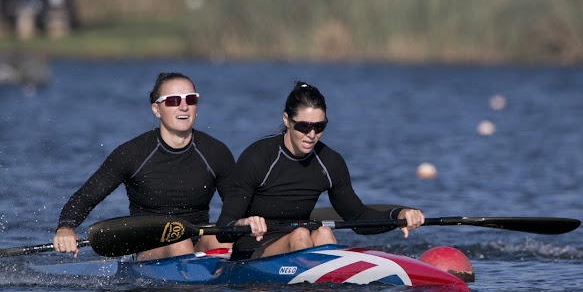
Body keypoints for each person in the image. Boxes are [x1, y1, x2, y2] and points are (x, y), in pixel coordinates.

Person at [207, 81, 425, 258]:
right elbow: (224, 228)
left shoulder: (329, 162)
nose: (312, 135)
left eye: (319, 127)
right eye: (304, 126)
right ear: (287, 120)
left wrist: (398, 215)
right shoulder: (257, 157)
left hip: (298, 243)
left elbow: (357, 218)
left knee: (323, 232)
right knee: (302, 234)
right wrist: (245, 222)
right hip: (252, 250)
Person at [53, 72, 236, 260]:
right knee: (179, 243)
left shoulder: (216, 153)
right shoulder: (132, 154)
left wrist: (251, 222)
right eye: (173, 101)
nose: (184, 107)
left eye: (190, 99)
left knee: (227, 239)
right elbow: (85, 197)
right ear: (156, 109)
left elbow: (239, 203)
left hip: (198, 239)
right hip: (150, 248)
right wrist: (66, 228)